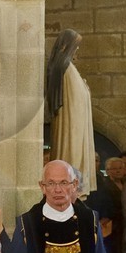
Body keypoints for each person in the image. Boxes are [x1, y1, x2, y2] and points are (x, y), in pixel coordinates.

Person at [46, 29, 97, 197]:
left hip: (76, 123)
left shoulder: (66, 67)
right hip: (71, 124)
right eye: (76, 45)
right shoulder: (64, 67)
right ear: (66, 46)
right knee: (72, 154)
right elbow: (74, 99)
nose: (77, 49)